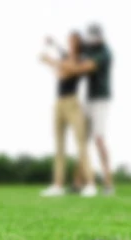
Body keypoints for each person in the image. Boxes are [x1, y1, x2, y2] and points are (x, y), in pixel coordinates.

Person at [54, 24, 115, 195]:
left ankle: (108, 183)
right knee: (83, 139)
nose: (91, 41)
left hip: (101, 100)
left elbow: (82, 68)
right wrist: (57, 45)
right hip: (88, 100)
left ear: (100, 37)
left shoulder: (104, 53)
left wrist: (61, 65)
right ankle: (78, 183)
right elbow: (73, 51)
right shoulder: (90, 47)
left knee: (98, 139)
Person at [40, 32, 97, 197]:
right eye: (69, 41)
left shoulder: (81, 60)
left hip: (73, 103)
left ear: (78, 45)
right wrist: (52, 50)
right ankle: (57, 185)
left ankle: (91, 185)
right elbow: (60, 68)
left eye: (73, 41)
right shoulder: (65, 56)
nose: (70, 44)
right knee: (59, 147)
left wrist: (53, 62)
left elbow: (69, 71)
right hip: (58, 103)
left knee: (81, 145)